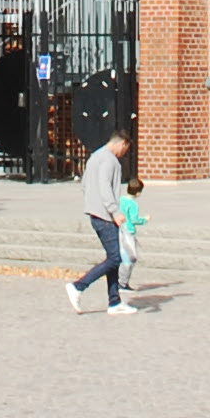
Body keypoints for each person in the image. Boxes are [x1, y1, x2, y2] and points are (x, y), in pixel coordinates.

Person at [67, 127, 139, 315]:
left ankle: (114, 301)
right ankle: (78, 286)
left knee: (113, 257)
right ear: (121, 143)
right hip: (105, 215)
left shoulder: (95, 157)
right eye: (125, 149)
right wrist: (114, 211)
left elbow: (85, 185)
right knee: (115, 257)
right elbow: (105, 186)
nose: (124, 153)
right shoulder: (109, 160)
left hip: (95, 212)